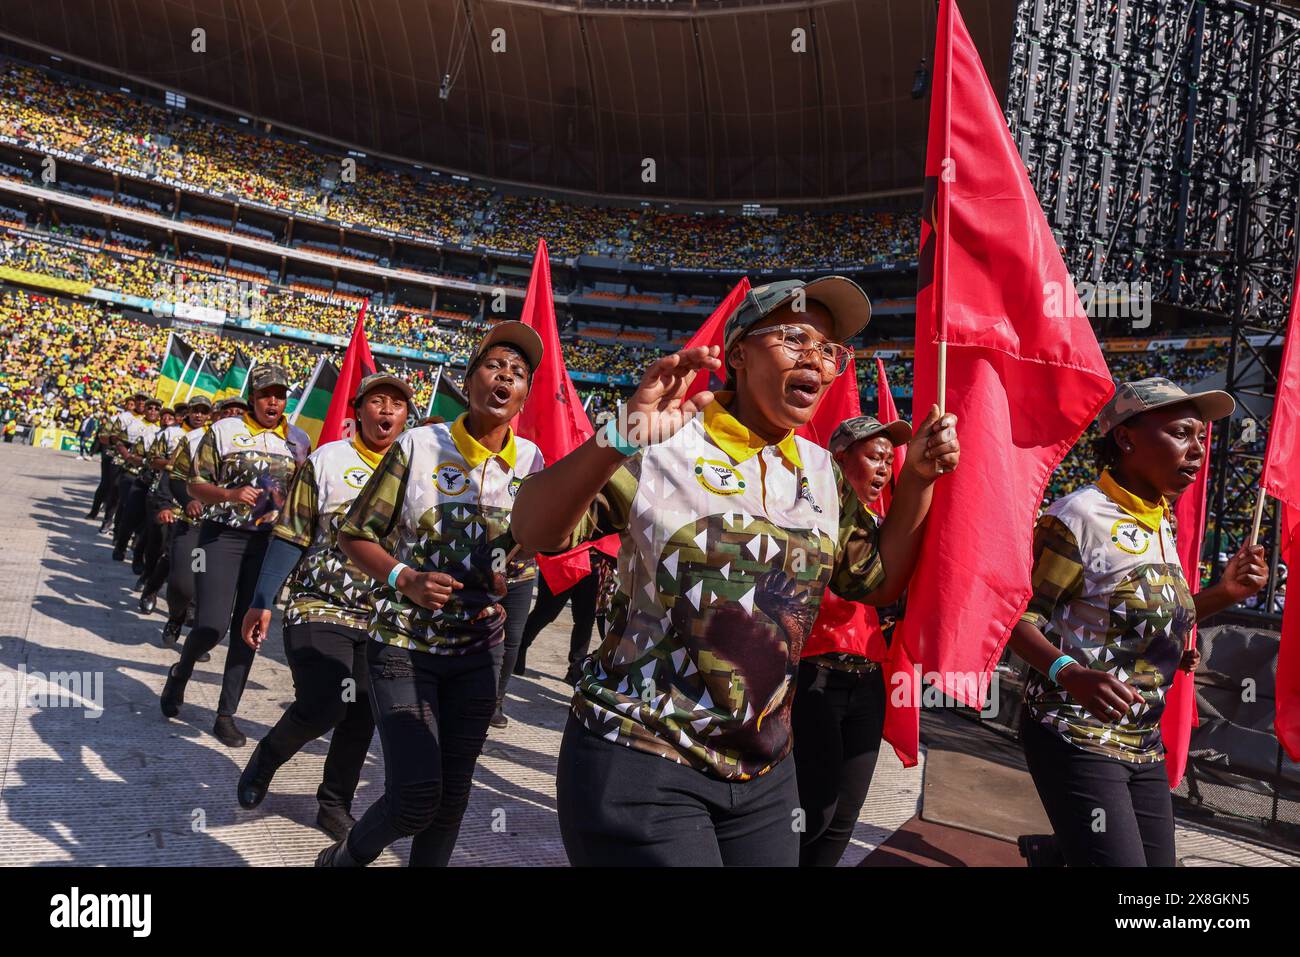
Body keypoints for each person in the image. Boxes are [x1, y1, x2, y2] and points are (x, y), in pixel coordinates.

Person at [512, 276, 960, 866]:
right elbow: (533, 530)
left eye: (830, 350)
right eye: (796, 338)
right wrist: (621, 434)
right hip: (643, 754)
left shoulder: (824, 476)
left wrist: (921, 481)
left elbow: (877, 582)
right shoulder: (664, 443)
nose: (817, 360)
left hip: (764, 775)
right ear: (740, 354)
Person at [1009, 377, 1268, 867]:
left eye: (1201, 439)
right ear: (1126, 438)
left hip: (1143, 740)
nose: (1197, 451)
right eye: (1181, 434)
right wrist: (1072, 673)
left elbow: (1146, 613)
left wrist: (1218, 599)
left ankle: (1057, 855)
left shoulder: (1161, 518)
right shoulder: (1078, 516)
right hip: (1074, 733)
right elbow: (1015, 622)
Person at [319, 320, 545, 867]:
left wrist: (510, 573)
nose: (505, 376)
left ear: (524, 398)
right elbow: (353, 533)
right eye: (494, 365)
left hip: (477, 654)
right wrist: (407, 578)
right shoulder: (420, 445)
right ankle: (343, 859)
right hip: (404, 645)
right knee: (416, 796)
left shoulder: (534, 463)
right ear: (468, 382)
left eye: (518, 372)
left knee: (452, 799)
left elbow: (535, 550)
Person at [235, 373, 412, 843]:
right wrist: (262, 600)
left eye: (398, 403)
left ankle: (333, 803)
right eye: (379, 401)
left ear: (406, 417)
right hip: (319, 603)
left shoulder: (417, 471)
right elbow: (291, 533)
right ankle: (267, 757)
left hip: (381, 615)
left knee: (363, 712)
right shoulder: (327, 461)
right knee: (329, 700)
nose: (388, 410)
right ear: (359, 409)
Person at [161, 368, 311, 747]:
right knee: (212, 625)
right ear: (252, 397)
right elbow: (194, 484)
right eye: (266, 395)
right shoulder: (224, 431)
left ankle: (226, 714)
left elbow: (301, 496)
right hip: (222, 537)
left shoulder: (297, 441)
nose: (273, 402)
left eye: (280, 395)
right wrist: (229, 495)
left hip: (269, 546)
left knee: (251, 631)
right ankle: (181, 671)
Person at [790, 414, 910, 867]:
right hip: (813, 675)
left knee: (844, 814)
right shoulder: (806, 518)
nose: (884, 467)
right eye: (873, 456)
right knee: (813, 808)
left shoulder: (888, 529)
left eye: (888, 460)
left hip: (868, 682)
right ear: (839, 459)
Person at [157, 397, 246, 652]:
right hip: (195, 526)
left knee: (210, 592)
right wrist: (187, 501)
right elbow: (175, 477)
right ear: (216, 416)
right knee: (184, 584)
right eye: (227, 412)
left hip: (228, 531)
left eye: (239, 413)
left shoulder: (259, 445)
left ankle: (198, 641)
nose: (233, 416)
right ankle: (176, 616)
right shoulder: (195, 438)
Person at [138, 399, 208, 616]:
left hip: (207, 517)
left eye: (204, 412)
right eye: (195, 411)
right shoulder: (185, 438)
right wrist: (165, 504)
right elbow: (171, 475)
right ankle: (151, 589)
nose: (199, 416)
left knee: (199, 563)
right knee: (170, 556)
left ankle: (190, 607)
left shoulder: (228, 442)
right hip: (180, 508)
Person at [515, 559, 601, 686]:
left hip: (591, 565)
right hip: (561, 562)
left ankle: (576, 668)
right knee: (545, 613)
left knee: (585, 620)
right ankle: (518, 649)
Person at [112, 396, 163, 572]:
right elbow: (120, 442)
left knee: (148, 523)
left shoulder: (164, 432)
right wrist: (129, 457)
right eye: (150, 408)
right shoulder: (137, 426)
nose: (154, 412)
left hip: (157, 483)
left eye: (158, 410)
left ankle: (138, 551)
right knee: (129, 513)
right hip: (134, 475)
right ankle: (120, 544)